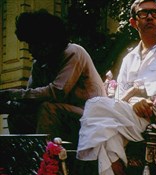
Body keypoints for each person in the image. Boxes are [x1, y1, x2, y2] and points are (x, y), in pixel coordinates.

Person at [76, 0, 156, 175]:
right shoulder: (129, 58)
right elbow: (121, 94)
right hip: (131, 112)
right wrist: (133, 100)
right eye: (143, 13)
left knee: (94, 104)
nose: (149, 17)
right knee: (104, 129)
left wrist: (142, 91)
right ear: (133, 22)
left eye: (154, 13)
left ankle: (79, 171)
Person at [0, 10, 106, 142]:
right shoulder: (39, 64)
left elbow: (56, 92)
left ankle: (47, 160)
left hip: (92, 119)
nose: (30, 50)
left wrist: (12, 94)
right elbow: (31, 98)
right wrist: (11, 105)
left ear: (49, 43)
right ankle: (25, 159)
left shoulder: (74, 52)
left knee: (48, 108)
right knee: (17, 115)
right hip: (65, 117)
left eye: (34, 44)